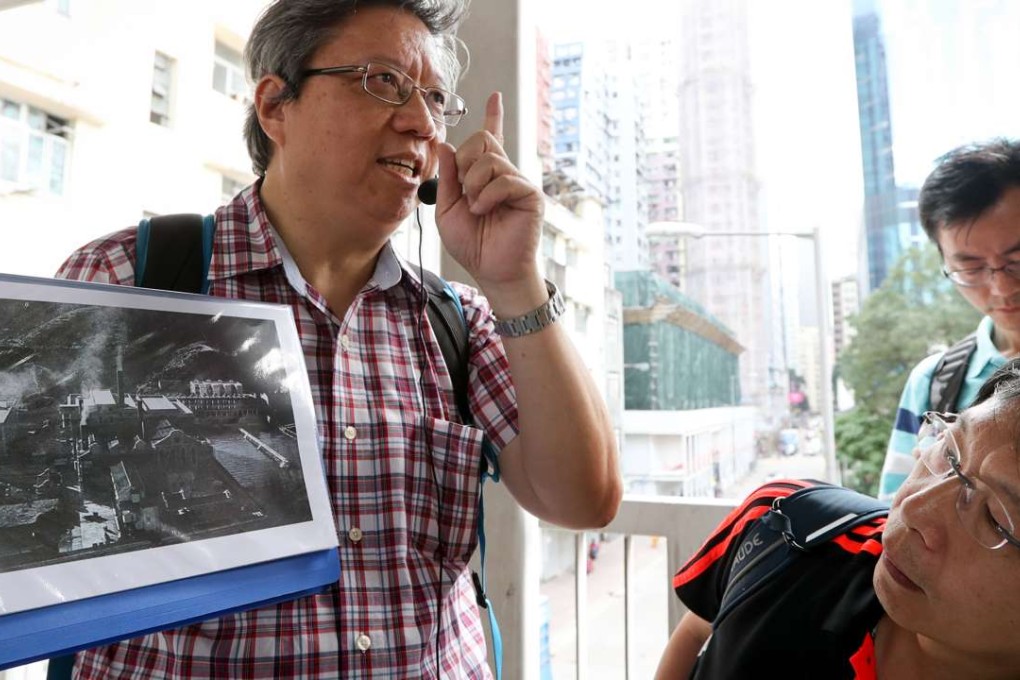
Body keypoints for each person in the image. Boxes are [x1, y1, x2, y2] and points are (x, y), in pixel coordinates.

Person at [54, 0, 621, 677]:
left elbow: (584, 500)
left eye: (436, 99)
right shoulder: (130, 278)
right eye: (382, 81)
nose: (420, 123)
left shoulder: (457, 319)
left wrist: (517, 282)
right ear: (275, 106)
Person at [654, 358, 1020, 679]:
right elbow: (698, 631)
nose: (911, 509)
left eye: (991, 518)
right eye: (947, 451)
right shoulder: (787, 525)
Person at [878, 138, 1020, 501]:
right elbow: (892, 520)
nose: (1001, 287)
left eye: (1018, 260)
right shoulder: (935, 383)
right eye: (970, 268)